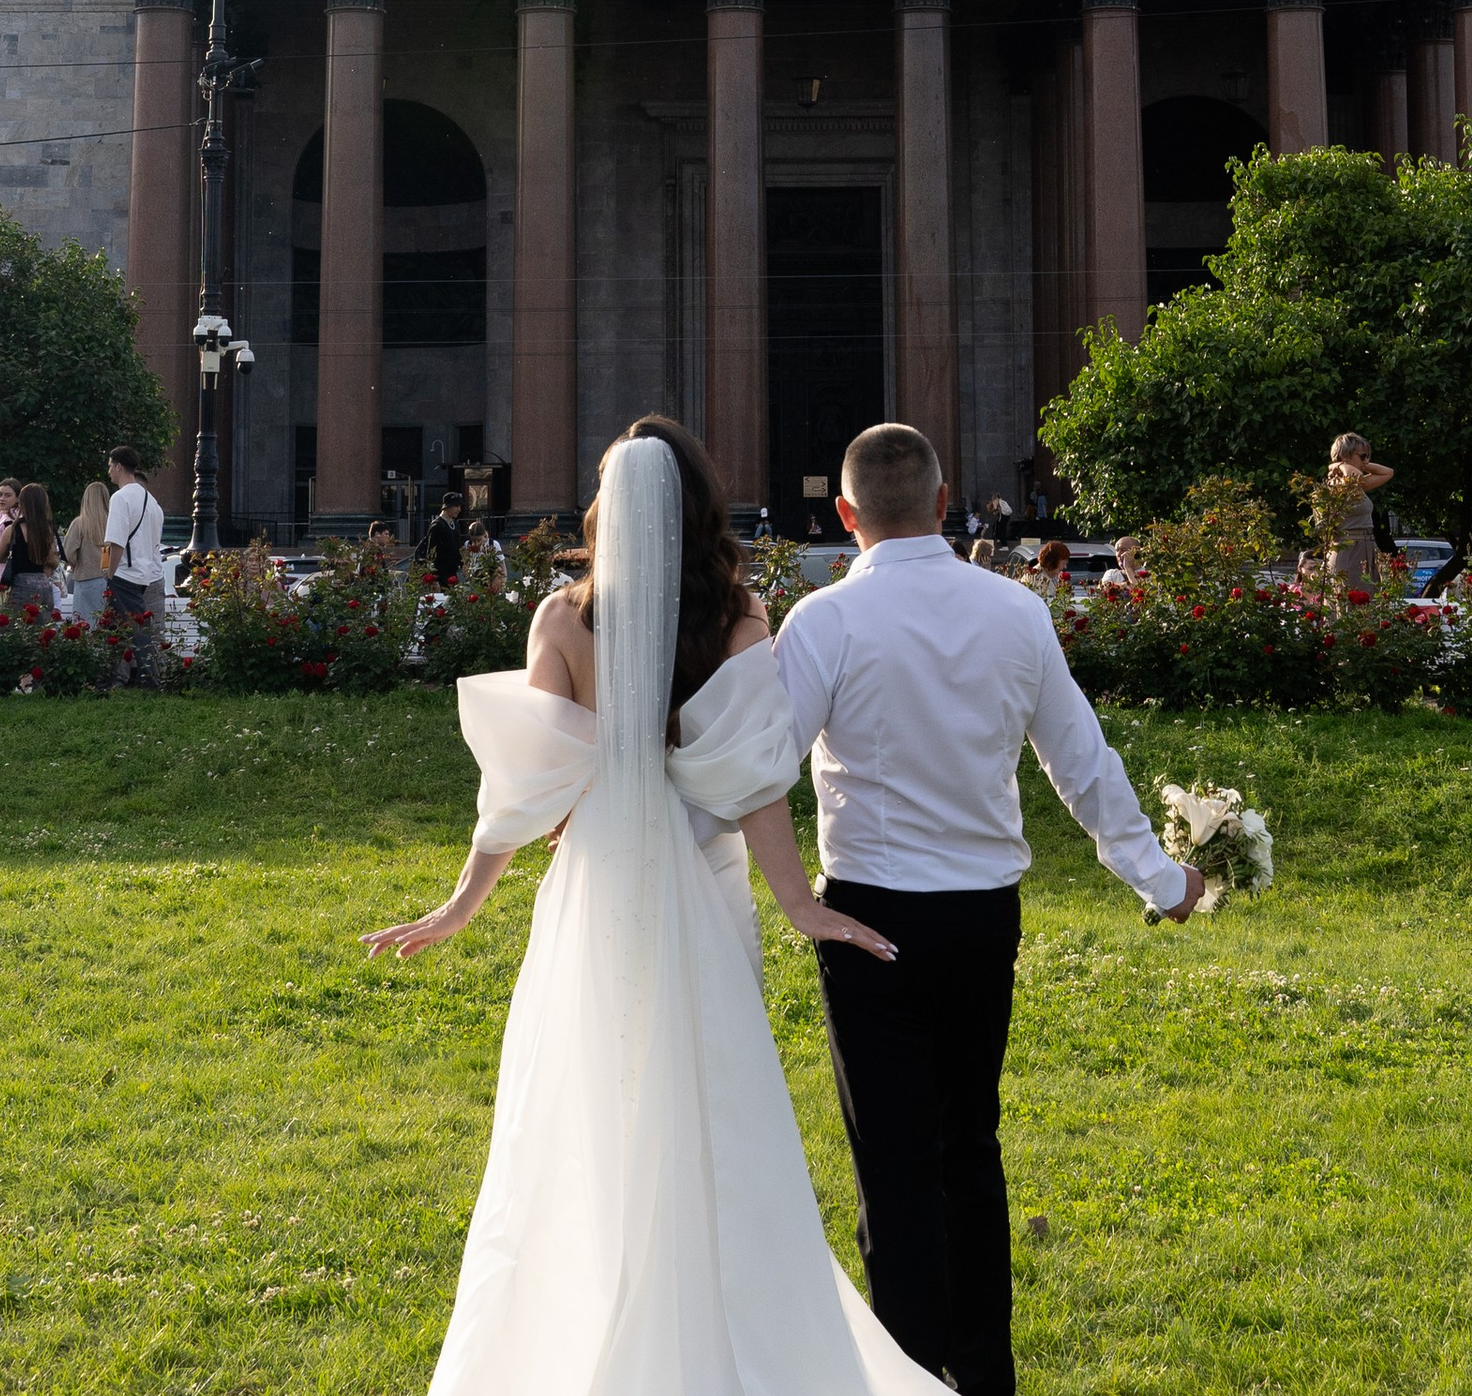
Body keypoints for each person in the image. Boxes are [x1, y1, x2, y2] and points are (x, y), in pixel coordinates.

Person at [363, 417, 928, 1392]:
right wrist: (800, 902)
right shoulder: (736, 620)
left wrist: (463, 901)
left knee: (588, 1104)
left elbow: (528, 784)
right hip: (701, 894)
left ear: (602, 507)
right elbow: (751, 782)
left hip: (594, 890)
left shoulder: (562, 619)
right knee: (711, 1114)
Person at [776, 423, 1199, 1395]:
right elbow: (1079, 759)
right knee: (968, 1147)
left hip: (868, 918)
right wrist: (1160, 877)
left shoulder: (825, 622)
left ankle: (908, 1375)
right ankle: (982, 1375)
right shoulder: (1016, 613)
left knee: (894, 1166)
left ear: (845, 516)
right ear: (943, 498)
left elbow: (753, 764)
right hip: (979, 917)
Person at [103, 447, 167, 683]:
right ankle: (125, 676)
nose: (109, 470)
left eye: (110, 465)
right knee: (125, 627)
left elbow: (116, 542)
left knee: (132, 630)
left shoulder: (120, 498)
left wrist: (110, 573)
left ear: (119, 466)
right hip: (143, 575)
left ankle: (148, 679)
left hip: (124, 574)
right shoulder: (151, 501)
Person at [1312, 433, 1394, 587]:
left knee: (1369, 605)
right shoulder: (1333, 487)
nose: (1366, 461)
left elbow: (1388, 472)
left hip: (1367, 548)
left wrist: (1359, 464)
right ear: (1345, 455)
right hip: (1348, 549)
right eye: (1362, 456)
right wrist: (1340, 465)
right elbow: (1354, 475)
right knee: (1350, 604)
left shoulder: (1356, 485)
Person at [5, 482, 61, 613]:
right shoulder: (47, 529)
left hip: (21, 584)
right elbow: (52, 554)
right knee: (42, 630)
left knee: (12, 628)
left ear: (22, 503)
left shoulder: (13, 529)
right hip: (44, 584)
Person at [62, 480, 110, 622]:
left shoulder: (79, 523)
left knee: (83, 624)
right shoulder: (112, 522)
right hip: (107, 579)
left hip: (85, 578)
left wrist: (77, 562)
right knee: (103, 623)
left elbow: (68, 552)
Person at [424, 490, 468, 588]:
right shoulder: (437, 525)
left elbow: (458, 548)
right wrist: (434, 579)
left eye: (460, 506)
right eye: (456, 506)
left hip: (452, 573)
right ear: (447, 506)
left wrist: (463, 564)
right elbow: (431, 553)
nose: (459, 509)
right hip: (440, 575)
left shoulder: (455, 525)